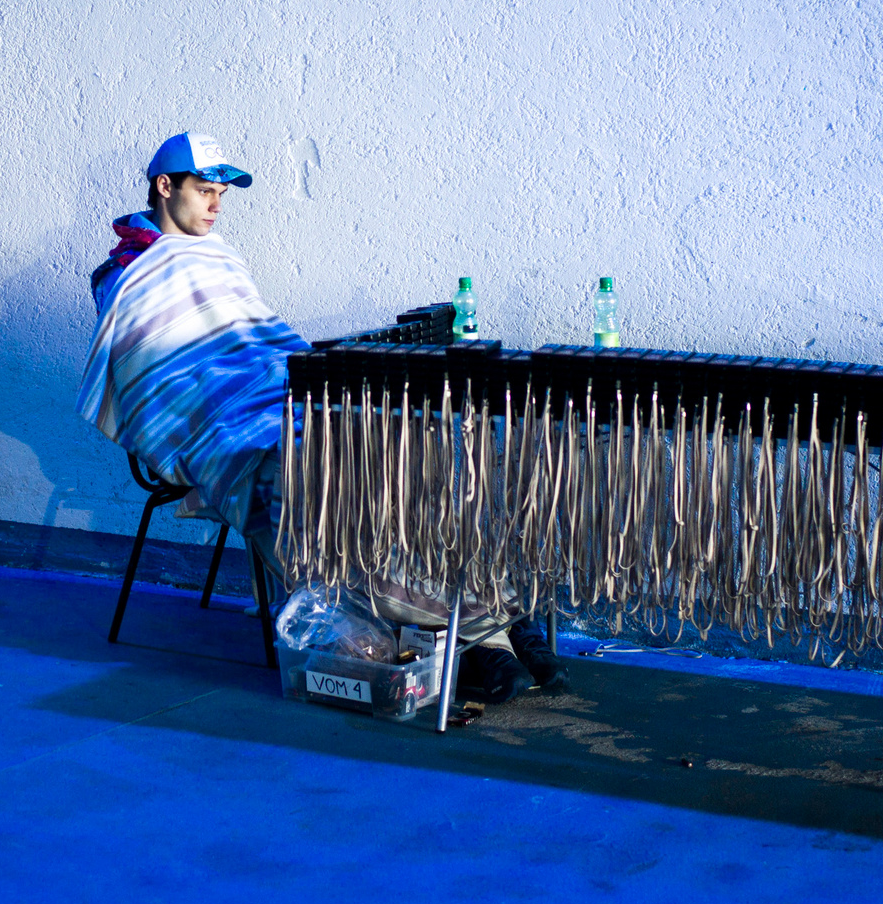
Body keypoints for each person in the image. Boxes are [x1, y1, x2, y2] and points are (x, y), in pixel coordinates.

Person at [77, 132, 564, 705]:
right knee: (304, 473)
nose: (215, 206)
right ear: (165, 186)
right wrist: (230, 406)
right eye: (205, 191)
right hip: (214, 419)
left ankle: (474, 624)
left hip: (276, 388)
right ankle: (484, 633)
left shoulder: (217, 256)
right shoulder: (128, 274)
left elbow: (254, 337)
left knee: (376, 445)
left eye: (221, 195)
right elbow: (159, 377)